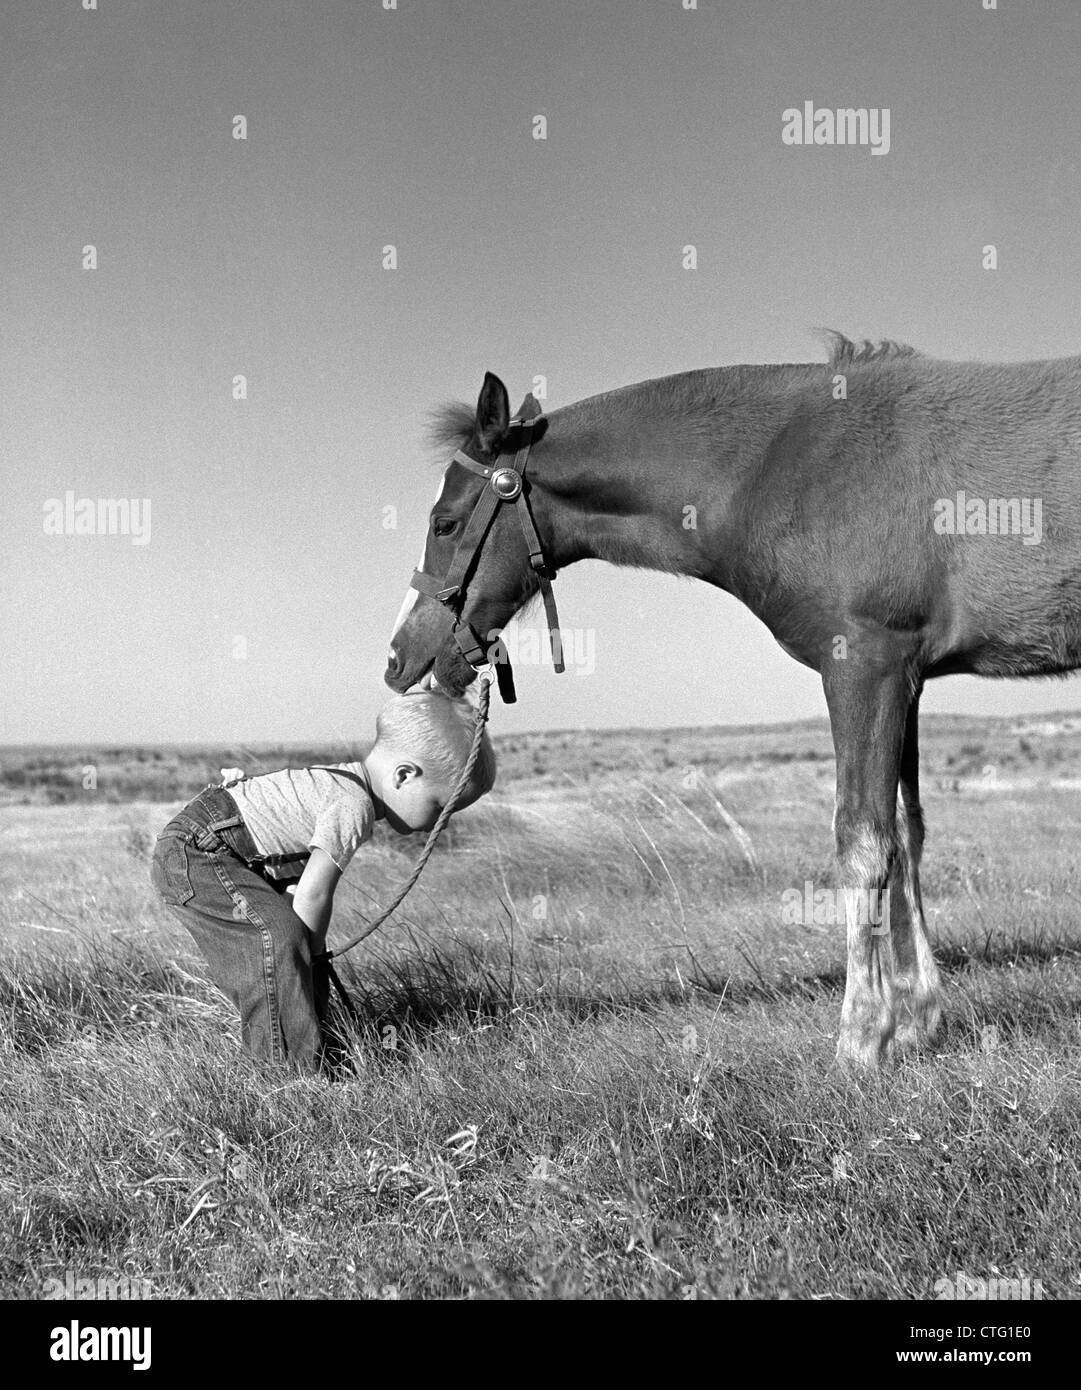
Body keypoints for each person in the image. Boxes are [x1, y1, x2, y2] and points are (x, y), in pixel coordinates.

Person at [149, 691, 496, 1073]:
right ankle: (287, 1077)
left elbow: (298, 887)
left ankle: (315, 1051)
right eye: (438, 807)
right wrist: (309, 955)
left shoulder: (344, 782)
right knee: (281, 942)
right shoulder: (354, 804)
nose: (440, 823)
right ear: (404, 775)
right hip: (197, 852)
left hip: (204, 846)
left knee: (291, 949)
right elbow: (313, 893)